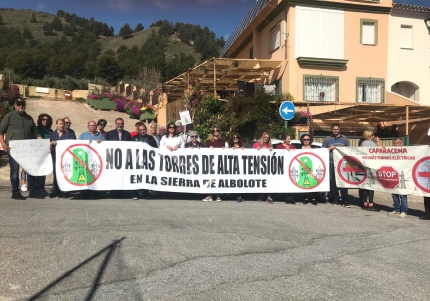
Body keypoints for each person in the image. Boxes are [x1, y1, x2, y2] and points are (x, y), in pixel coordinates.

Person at [0, 98, 42, 200]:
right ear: (15, 106)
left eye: (22, 104)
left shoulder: (29, 118)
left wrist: (39, 137)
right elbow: (1, 130)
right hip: (13, 148)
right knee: (15, 171)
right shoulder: (9, 116)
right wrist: (3, 143)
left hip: (27, 148)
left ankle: (32, 191)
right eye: (18, 104)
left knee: (30, 169)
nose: (20, 106)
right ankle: (15, 192)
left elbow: (35, 130)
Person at [322, 123, 351, 208]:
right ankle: (336, 199)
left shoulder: (344, 139)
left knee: (343, 182)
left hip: (342, 163)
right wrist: (328, 148)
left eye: (337, 129)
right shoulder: (327, 139)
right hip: (331, 162)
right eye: (334, 129)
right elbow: (322, 150)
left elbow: (348, 150)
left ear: (339, 130)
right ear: (332, 130)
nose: (335, 130)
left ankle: (345, 201)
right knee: (332, 182)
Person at [49, 118, 76, 198]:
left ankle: (65, 191)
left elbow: (73, 144)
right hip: (55, 156)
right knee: (56, 173)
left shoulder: (69, 134)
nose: (62, 125)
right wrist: (51, 143)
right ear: (56, 124)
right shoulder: (51, 134)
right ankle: (56, 190)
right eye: (60, 124)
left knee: (65, 173)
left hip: (66, 157)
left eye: (63, 124)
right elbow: (47, 144)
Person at [133, 123, 158, 200]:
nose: (143, 131)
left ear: (146, 130)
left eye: (144, 129)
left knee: (147, 176)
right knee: (137, 177)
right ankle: (136, 194)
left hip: (148, 161)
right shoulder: (135, 138)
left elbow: (155, 148)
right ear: (138, 131)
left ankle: (146, 193)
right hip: (137, 160)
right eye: (141, 130)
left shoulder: (150, 138)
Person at [359, 130, 381, 211]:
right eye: (372, 135)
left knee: (365, 185)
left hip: (364, 165)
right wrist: (378, 142)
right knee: (371, 185)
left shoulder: (362, 143)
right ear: (369, 136)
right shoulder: (371, 143)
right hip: (371, 165)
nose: (373, 137)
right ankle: (371, 204)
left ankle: (365, 203)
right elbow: (378, 152)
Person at [203, 126, 226, 202]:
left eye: (217, 130)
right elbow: (204, 151)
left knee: (218, 178)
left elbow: (225, 150)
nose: (216, 132)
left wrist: (224, 149)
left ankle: (218, 195)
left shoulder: (222, 140)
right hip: (210, 162)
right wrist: (209, 148)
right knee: (210, 178)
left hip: (219, 162)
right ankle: (209, 195)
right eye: (214, 131)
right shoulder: (208, 141)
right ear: (212, 132)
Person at [35, 113, 54, 197]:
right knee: (36, 172)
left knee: (43, 172)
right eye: (43, 119)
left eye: (47, 120)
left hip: (46, 154)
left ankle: (41, 188)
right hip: (36, 153)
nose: (45, 121)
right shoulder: (36, 129)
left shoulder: (50, 131)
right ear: (40, 120)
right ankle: (36, 189)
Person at [389, 138, 408, 217]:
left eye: (398, 143)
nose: (396, 144)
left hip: (403, 173)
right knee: (394, 193)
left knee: (403, 193)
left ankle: (404, 211)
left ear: (401, 143)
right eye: (395, 143)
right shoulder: (392, 151)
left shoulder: (406, 151)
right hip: (394, 173)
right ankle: (397, 209)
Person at [253, 132, 274, 204]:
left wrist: (272, 150)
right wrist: (256, 150)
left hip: (268, 167)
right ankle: (261, 196)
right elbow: (251, 154)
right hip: (259, 166)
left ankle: (268, 196)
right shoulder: (257, 144)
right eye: (265, 137)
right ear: (262, 137)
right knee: (261, 181)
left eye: (268, 137)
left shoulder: (270, 145)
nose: (266, 138)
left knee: (268, 181)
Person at [298, 134, 319, 205]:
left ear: (310, 140)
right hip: (302, 168)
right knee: (304, 183)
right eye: (304, 139)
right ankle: (305, 198)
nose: (306, 141)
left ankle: (313, 198)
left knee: (313, 182)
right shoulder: (299, 148)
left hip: (312, 168)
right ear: (302, 140)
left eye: (308, 139)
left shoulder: (314, 148)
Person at [228, 133, 245, 202]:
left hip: (240, 166)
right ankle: (234, 195)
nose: (235, 139)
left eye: (236, 137)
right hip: (232, 166)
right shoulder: (229, 147)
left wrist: (243, 150)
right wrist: (230, 150)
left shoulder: (242, 146)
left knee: (240, 180)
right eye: (234, 138)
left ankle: (239, 195)